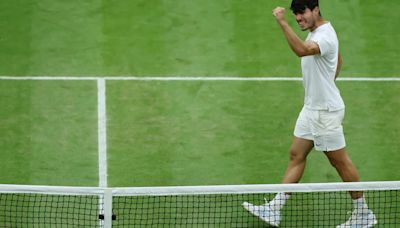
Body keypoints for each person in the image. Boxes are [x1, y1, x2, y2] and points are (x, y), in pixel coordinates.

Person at [242, 0, 377, 227]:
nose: (298, 18)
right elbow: (338, 58)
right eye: (295, 14)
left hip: (324, 112)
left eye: (302, 13)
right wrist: (326, 84)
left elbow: (302, 51)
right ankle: (274, 209)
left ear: (315, 9)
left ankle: (363, 213)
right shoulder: (318, 31)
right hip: (312, 108)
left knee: (340, 163)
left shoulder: (323, 35)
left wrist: (283, 23)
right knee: (296, 155)